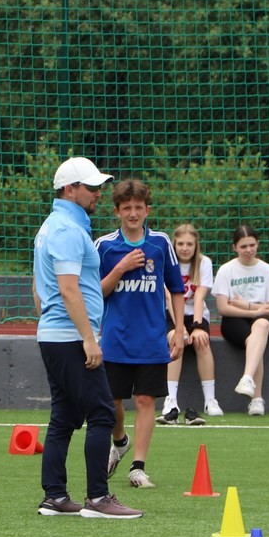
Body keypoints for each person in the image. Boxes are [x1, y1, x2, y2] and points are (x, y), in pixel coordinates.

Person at [33, 156, 142, 519]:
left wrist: (50, 325)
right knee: (101, 413)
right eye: (92, 187)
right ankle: (98, 497)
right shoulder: (67, 230)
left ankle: (55, 497)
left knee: (64, 416)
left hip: (56, 334)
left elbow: (38, 287)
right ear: (70, 189)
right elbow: (68, 289)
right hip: (70, 337)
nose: (98, 193)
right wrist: (88, 339)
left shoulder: (52, 227)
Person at [96, 179, 184, 489]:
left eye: (138, 207)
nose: (132, 213)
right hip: (115, 340)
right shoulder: (104, 246)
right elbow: (96, 292)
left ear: (148, 210)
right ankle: (120, 441)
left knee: (146, 400)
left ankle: (138, 467)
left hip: (151, 339)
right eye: (126, 208)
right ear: (116, 211)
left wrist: (179, 330)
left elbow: (176, 289)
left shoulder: (160, 243)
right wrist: (120, 268)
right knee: (112, 402)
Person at [213, 223, 269, 417]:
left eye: (252, 245)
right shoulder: (226, 270)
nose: (248, 250)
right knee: (256, 339)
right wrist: (255, 311)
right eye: (243, 246)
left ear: (258, 244)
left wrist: (246, 305)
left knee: (262, 326)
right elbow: (223, 308)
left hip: (259, 320)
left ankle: (247, 380)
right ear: (234, 247)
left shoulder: (267, 270)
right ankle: (257, 397)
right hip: (233, 322)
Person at [162, 222, 222, 425]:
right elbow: (169, 297)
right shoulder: (166, 262)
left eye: (189, 244)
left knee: (201, 341)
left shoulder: (204, 263)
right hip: (171, 313)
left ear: (196, 246)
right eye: (180, 244)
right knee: (175, 341)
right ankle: (171, 400)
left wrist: (196, 327)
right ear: (174, 244)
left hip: (195, 314)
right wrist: (180, 329)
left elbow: (199, 297)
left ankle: (210, 400)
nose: (185, 248)